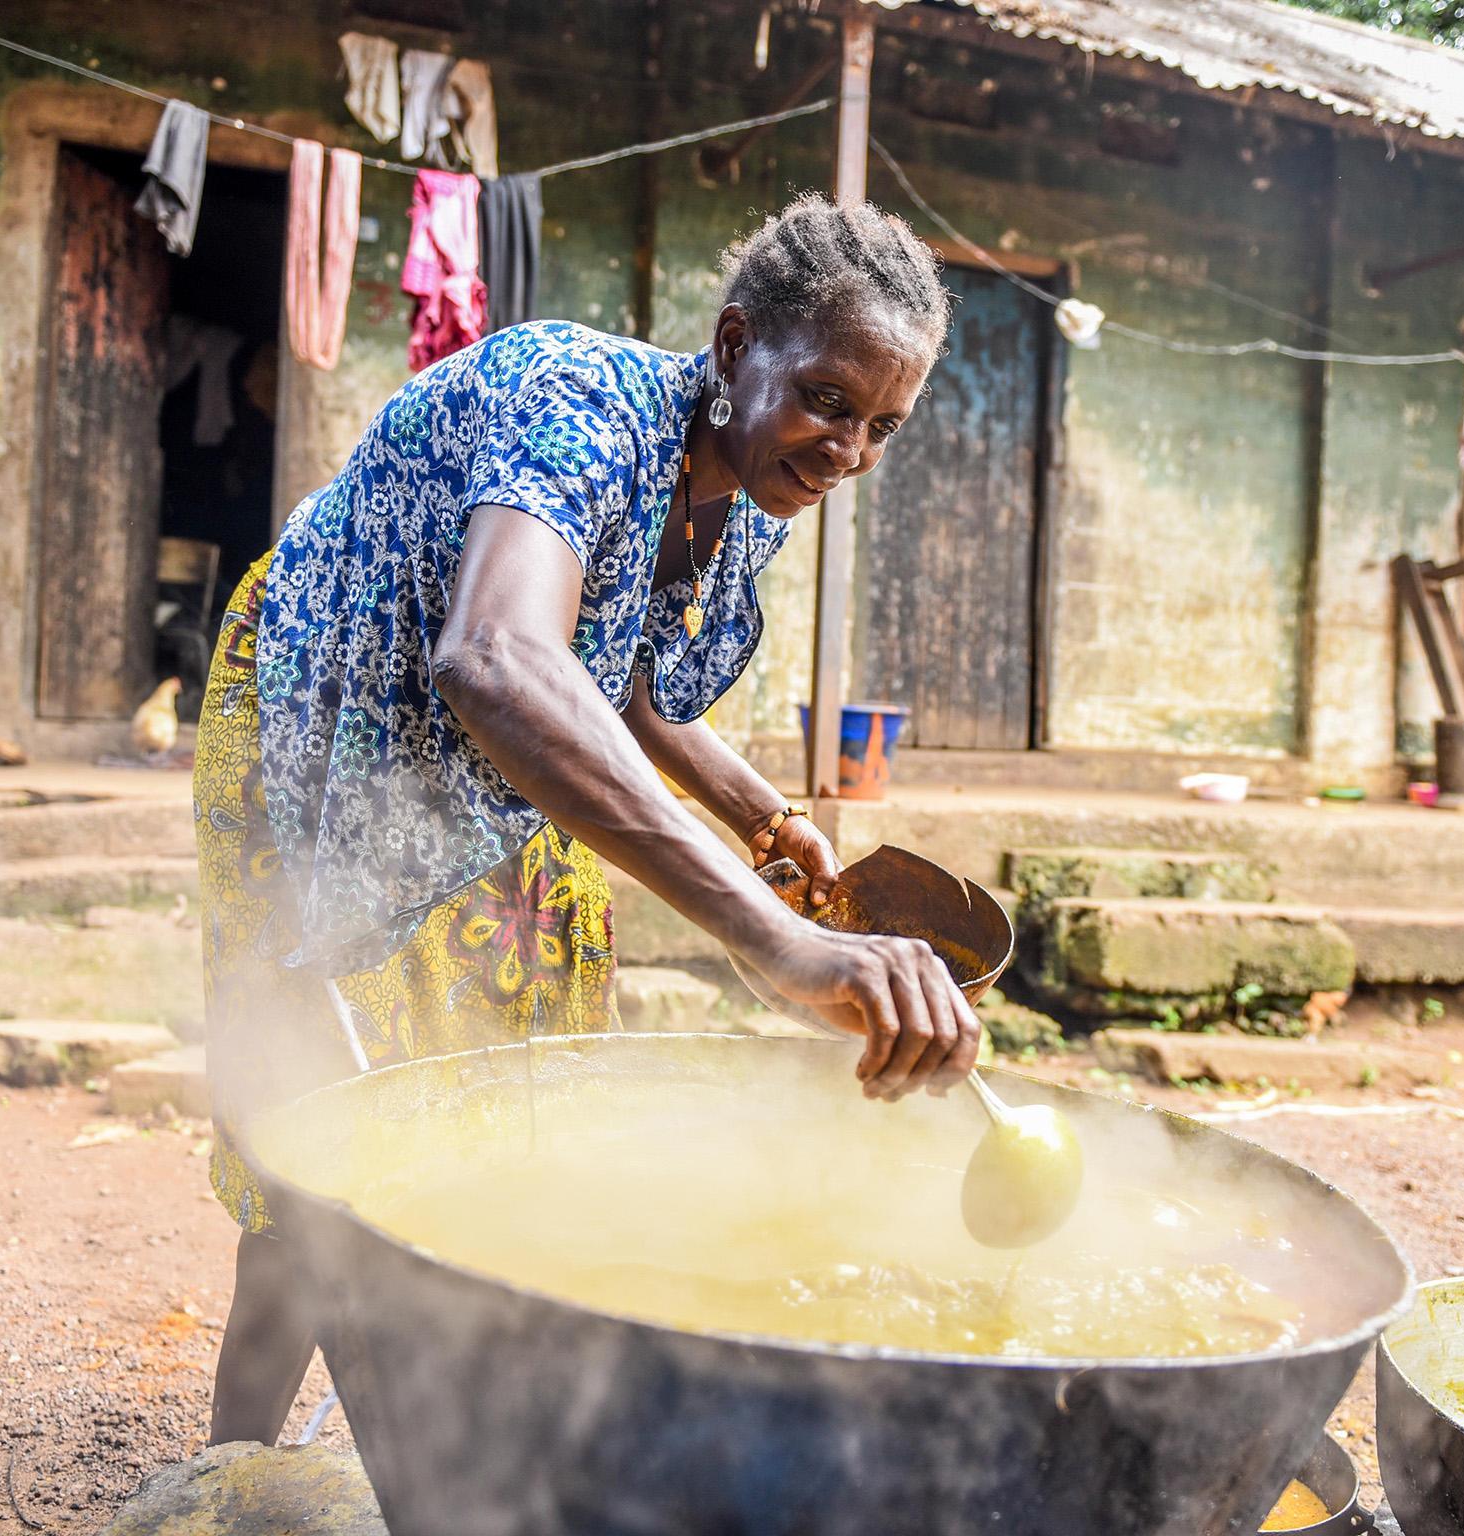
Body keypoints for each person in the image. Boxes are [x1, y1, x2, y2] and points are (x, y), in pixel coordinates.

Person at [193, 193, 981, 1444]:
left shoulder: (742, 491)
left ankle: (506, 1454)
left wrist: (761, 818)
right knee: (328, 1127)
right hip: (324, 721)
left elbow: (614, 672)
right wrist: (772, 942)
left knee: (525, 1100)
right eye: (828, 399)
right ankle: (240, 1474)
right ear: (732, 350)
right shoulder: (581, 403)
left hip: (495, 763)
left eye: (881, 426)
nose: (846, 450)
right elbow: (501, 657)